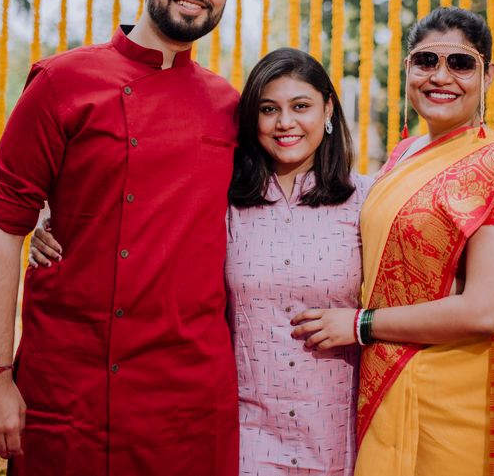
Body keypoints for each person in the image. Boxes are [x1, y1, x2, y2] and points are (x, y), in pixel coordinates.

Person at [0, 0, 242, 475]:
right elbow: (2, 224)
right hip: (72, 381)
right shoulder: (62, 81)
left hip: (188, 390)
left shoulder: (229, 105)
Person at [291, 7, 494, 475]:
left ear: (487, 73)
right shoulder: (403, 155)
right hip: (385, 386)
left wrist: (360, 325)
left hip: (454, 402)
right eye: (425, 61)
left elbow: (484, 310)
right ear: (407, 70)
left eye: (460, 63)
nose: (441, 76)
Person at [32, 48, 371, 475]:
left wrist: (360, 323)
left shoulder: (368, 201)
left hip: (339, 432)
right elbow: (143, 216)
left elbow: (415, 289)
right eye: (269, 110)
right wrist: (58, 225)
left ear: (328, 110)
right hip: (249, 432)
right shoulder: (225, 199)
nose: (285, 123)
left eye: (300, 106)